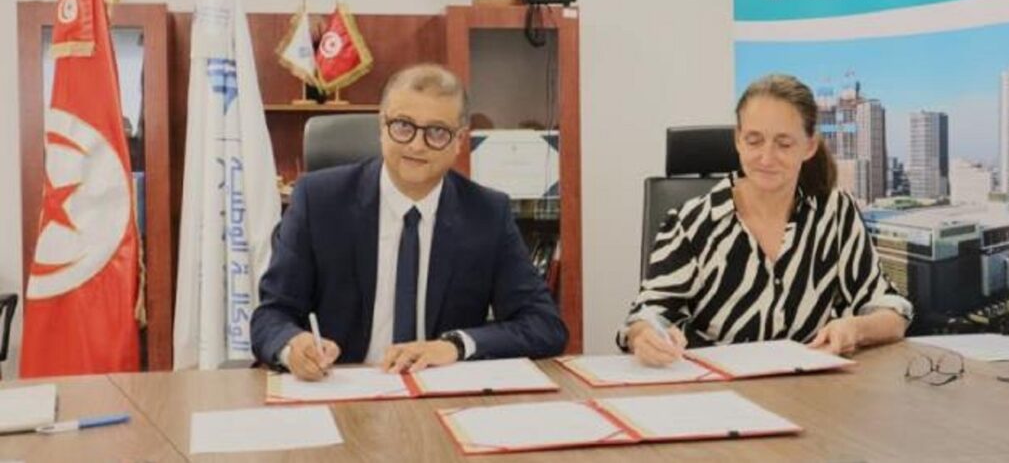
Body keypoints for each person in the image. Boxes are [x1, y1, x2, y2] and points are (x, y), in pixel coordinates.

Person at [251, 64, 567, 380]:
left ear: (459, 141)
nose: (416, 145)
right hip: (340, 385)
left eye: (437, 132)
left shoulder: (487, 214)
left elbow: (545, 325)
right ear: (382, 126)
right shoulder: (319, 201)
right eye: (403, 126)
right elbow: (271, 316)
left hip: (439, 392)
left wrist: (455, 345)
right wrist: (292, 346)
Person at [620, 74, 912, 366]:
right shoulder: (691, 222)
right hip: (716, 386)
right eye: (754, 141)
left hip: (811, 386)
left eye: (784, 144)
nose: (766, 158)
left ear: (809, 146)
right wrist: (644, 335)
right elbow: (645, 316)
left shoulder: (836, 213)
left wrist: (855, 329)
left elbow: (892, 313)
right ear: (738, 140)